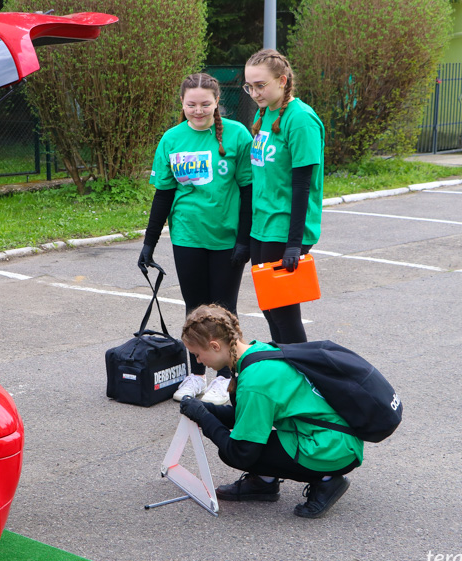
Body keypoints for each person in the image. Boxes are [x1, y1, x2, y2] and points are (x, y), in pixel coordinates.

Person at [178, 304, 363, 518]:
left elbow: (241, 452)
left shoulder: (254, 382)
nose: (199, 361)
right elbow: (247, 418)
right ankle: (264, 481)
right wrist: (205, 410)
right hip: (336, 436)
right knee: (250, 436)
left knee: (233, 450)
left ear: (214, 346)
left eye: (198, 355)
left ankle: (327, 480)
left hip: (332, 448)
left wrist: (203, 418)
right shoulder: (258, 352)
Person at [138, 72, 253, 405]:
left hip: (226, 239)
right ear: (182, 103)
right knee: (195, 310)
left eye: (205, 104)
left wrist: (244, 239)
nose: (198, 110)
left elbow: (247, 190)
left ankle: (226, 378)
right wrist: (149, 243)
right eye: (191, 104)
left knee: (224, 310)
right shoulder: (172, 139)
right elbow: (163, 194)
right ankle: (196, 375)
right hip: (187, 236)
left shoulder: (237, 136)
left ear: (217, 102)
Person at [244, 49, 325, 344]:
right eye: (249, 86)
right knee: (269, 308)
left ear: (282, 80)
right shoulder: (264, 112)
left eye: (260, 85)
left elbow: (303, 186)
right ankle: (285, 369)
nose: (254, 93)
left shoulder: (300, 119)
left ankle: (304, 379)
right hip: (262, 225)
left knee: (283, 312)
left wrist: (294, 244)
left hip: (286, 228)